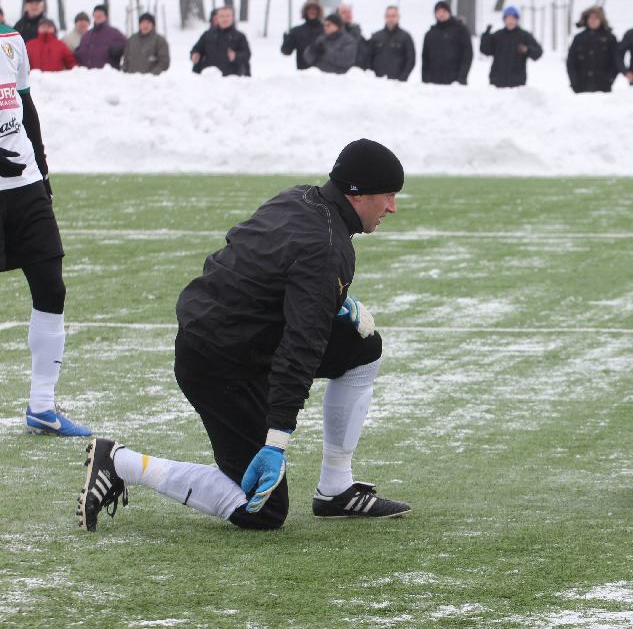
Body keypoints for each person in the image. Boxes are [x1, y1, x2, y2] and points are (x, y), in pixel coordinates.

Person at [78, 139, 412, 532]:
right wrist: (277, 440)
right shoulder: (327, 247)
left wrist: (328, 295)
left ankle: (335, 490)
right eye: (388, 195)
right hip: (217, 365)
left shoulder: (300, 197)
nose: (392, 207)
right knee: (264, 512)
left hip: (236, 336)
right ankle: (119, 462)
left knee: (363, 348)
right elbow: (300, 349)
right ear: (357, 194)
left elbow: (254, 259)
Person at [0, 20, 91, 437]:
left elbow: (25, 106)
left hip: (25, 185)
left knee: (51, 286)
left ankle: (41, 406)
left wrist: (43, 169)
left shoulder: (11, 38)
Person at [479, 6, 542, 88]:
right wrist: (486, 36)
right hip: (497, 82)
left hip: (517, 83)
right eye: (508, 18)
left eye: (513, 18)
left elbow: (538, 52)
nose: (510, 21)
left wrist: (527, 50)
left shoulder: (524, 36)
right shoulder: (498, 35)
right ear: (504, 20)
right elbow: (485, 50)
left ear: (517, 20)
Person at [566, 6, 619, 94]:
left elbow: (616, 62)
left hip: (603, 88)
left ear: (601, 20)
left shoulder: (610, 38)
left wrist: (609, 80)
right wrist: (574, 82)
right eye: (591, 18)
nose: (593, 20)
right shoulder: (578, 38)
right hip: (581, 88)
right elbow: (570, 62)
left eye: (596, 18)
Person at [422, 1, 473, 85]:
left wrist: (461, 78)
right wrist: (425, 80)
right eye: (438, 12)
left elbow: (467, 55)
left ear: (449, 12)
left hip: (455, 83)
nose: (441, 14)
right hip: (434, 83)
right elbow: (425, 59)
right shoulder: (430, 34)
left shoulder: (460, 30)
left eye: (444, 11)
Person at [190, 7, 251, 76]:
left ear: (232, 18)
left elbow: (247, 55)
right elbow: (197, 49)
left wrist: (235, 56)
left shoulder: (240, 36)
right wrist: (195, 54)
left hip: (232, 79)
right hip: (209, 78)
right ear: (217, 18)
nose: (225, 19)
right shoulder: (207, 35)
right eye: (222, 16)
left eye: (227, 16)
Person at [366, 5, 416, 82]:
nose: (391, 19)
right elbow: (368, 58)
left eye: (393, 16)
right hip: (378, 83)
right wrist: (372, 78)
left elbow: (410, 60)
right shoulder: (376, 36)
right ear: (385, 17)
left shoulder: (405, 37)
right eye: (388, 16)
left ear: (398, 17)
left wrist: (402, 78)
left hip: (398, 83)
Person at [75, 5, 127, 70]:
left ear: (106, 17)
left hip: (106, 76)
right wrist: (78, 52)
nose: (97, 17)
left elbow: (128, 48)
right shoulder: (86, 35)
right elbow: (80, 54)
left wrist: (117, 49)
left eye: (100, 15)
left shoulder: (114, 33)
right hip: (88, 75)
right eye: (95, 15)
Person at [281, 0, 323, 71]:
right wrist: (287, 41)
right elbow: (286, 52)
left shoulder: (326, 30)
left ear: (319, 12)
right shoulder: (297, 31)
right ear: (305, 11)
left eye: (315, 9)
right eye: (309, 9)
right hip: (303, 76)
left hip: (324, 76)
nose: (312, 11)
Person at [338, 3, 368, 69]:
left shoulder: (359, 35)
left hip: (358, 74)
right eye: (344, 12)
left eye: (349, 12)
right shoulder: (335, 36)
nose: (348, 14)